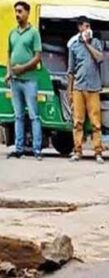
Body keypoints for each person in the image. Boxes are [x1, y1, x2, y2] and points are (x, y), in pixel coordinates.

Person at [5, 1, 42, 160]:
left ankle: (37, 150)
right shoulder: (12, 33)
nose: (17, 14)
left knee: (34, 115)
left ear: (27, 13)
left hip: (29, 80)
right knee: (18, 115)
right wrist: (9, 72)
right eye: (16, 11)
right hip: (15, 80)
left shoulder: (34, 33)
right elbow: (9, 55)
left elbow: (37, 57)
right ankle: (19, 148)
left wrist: (23, 68)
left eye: (20, 11)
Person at [67, 16, 104, 163]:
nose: (88, 29)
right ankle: (77, 151)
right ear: (79, 28)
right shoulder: (74, 46)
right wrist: (70, 92)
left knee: (96, 123)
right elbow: (70, 71)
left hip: (94, 88)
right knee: (77, 122)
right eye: (85, 26)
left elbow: (100, 58)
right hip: (78, 88)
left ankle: (98, 152)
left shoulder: (96, 43)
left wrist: (88, 44)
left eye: (89, 26)